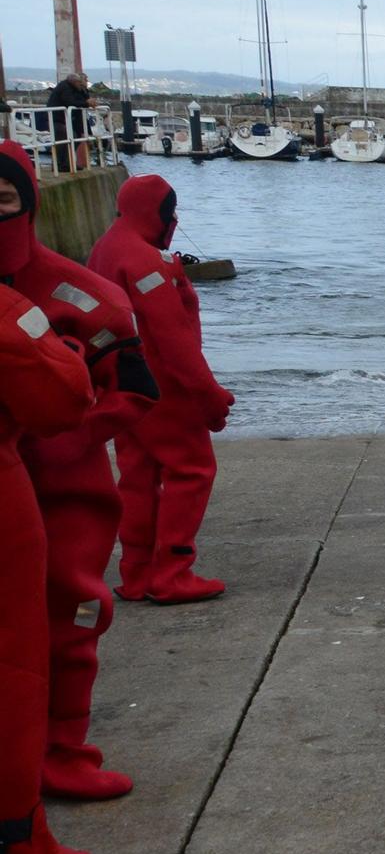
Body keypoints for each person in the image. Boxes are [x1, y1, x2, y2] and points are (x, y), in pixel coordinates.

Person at [1, 142, 157, 799]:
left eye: (3, 199)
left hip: (66, 492)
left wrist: (62, 434)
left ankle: (63, 749)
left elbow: (136, 390)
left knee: (73, 615)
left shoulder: (90, 298)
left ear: (30, 201)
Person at [91, 174, 234, 603]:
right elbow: (173, 339)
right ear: (160, 213)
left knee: (137, 475)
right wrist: (209, 394)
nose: (174, 222)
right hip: (162, 390)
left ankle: (136, 571)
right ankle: (172, 571)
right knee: (191, 471)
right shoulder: (146, 262)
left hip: (121, 386)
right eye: (171, 212)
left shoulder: (104, 250)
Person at [0, 276, 98, 854]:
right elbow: (64, 398)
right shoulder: (14, 309)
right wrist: (74, 354)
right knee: (16, 658)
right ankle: (18, 848)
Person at [46, 72, 93, 173]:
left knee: (72, 138)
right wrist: (86, 103)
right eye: (79, 83)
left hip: (62, 119)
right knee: (62, 141)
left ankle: (66, 163)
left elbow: (82, 98)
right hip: (57, 118)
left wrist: (84, 91)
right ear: (74, 81)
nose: (81, 84)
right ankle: (60, 165)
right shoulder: (65, 88)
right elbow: (70, 102)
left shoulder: (71, 88)